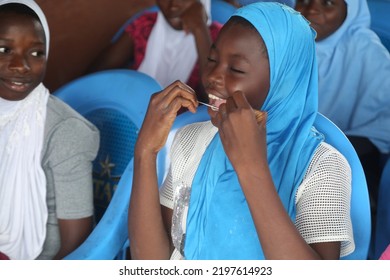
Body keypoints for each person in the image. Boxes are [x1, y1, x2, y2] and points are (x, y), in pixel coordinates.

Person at [128, 2, 354, 260]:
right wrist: (145, 151)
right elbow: (151, 263)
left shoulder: (322, 166)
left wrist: (250, 167)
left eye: (236, 69)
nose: (212, 76)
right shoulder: (191, 141)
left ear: (283, 81)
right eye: (212, 59)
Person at [0, 0, 99, 260]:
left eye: (35, 53)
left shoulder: (65, 131)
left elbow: (76, 244)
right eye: (4, 49)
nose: (20, 65)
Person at [295, 0, 390, 232]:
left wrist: (326, 149)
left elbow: (383, 126)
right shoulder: (288, 43)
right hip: (291, 147)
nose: (312, 9)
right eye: (304, 0)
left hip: (351, 155)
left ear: (350, 11)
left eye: (328, 3)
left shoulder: (367, 51)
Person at [87, 0, 222, 103]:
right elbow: (95, 73)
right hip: (134, 110)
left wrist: (199, 28)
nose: (173, 2)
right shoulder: (146, 25)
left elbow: (211, 97)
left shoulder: (218, 37)